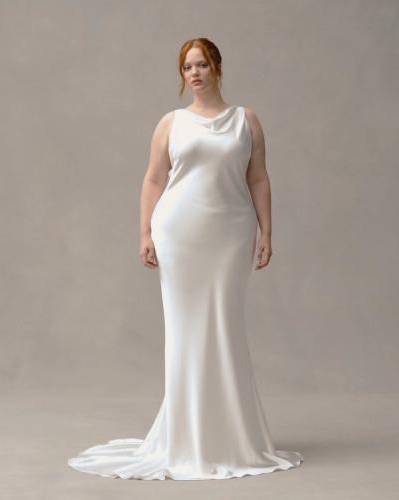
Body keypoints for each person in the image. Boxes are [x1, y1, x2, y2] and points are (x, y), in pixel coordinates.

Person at [67, 37, 303, 480]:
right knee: (185, 331)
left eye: (201, 65)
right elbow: (153, 180)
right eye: (187, 67)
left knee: (224, 327)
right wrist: (144, 232)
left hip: (231, 235)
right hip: (179, 234)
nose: (194, 73)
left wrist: (267, 231)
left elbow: (258, 178)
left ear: (217, 68)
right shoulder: (171, 123)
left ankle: (230, 437)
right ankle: (185, 437)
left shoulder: (246, 121)